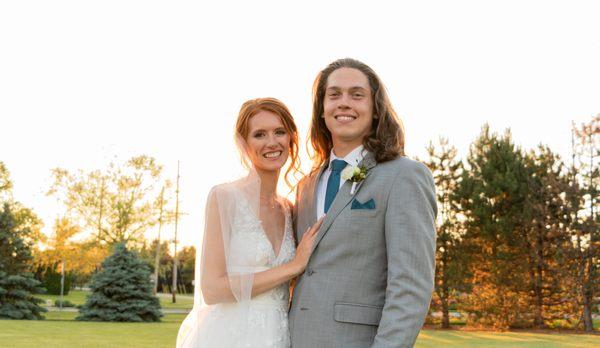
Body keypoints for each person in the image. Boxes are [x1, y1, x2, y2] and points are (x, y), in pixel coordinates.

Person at [289, 58, 437, 347]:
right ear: (322, 109)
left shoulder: (404, 176)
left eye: (357, 95)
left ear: (375, 109)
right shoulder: (305, 187)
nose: (344, 103)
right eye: (334, 95)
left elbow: (410, 287)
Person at [177, 97, 324, 348]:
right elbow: (212, 289)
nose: (271, 142)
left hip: (278, 336)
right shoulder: (225, 197)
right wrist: (294, 266)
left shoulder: (290, 209)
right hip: (230, 336)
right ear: (244, 144)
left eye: (279, 132)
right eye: (259, 134)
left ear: (291, 139)